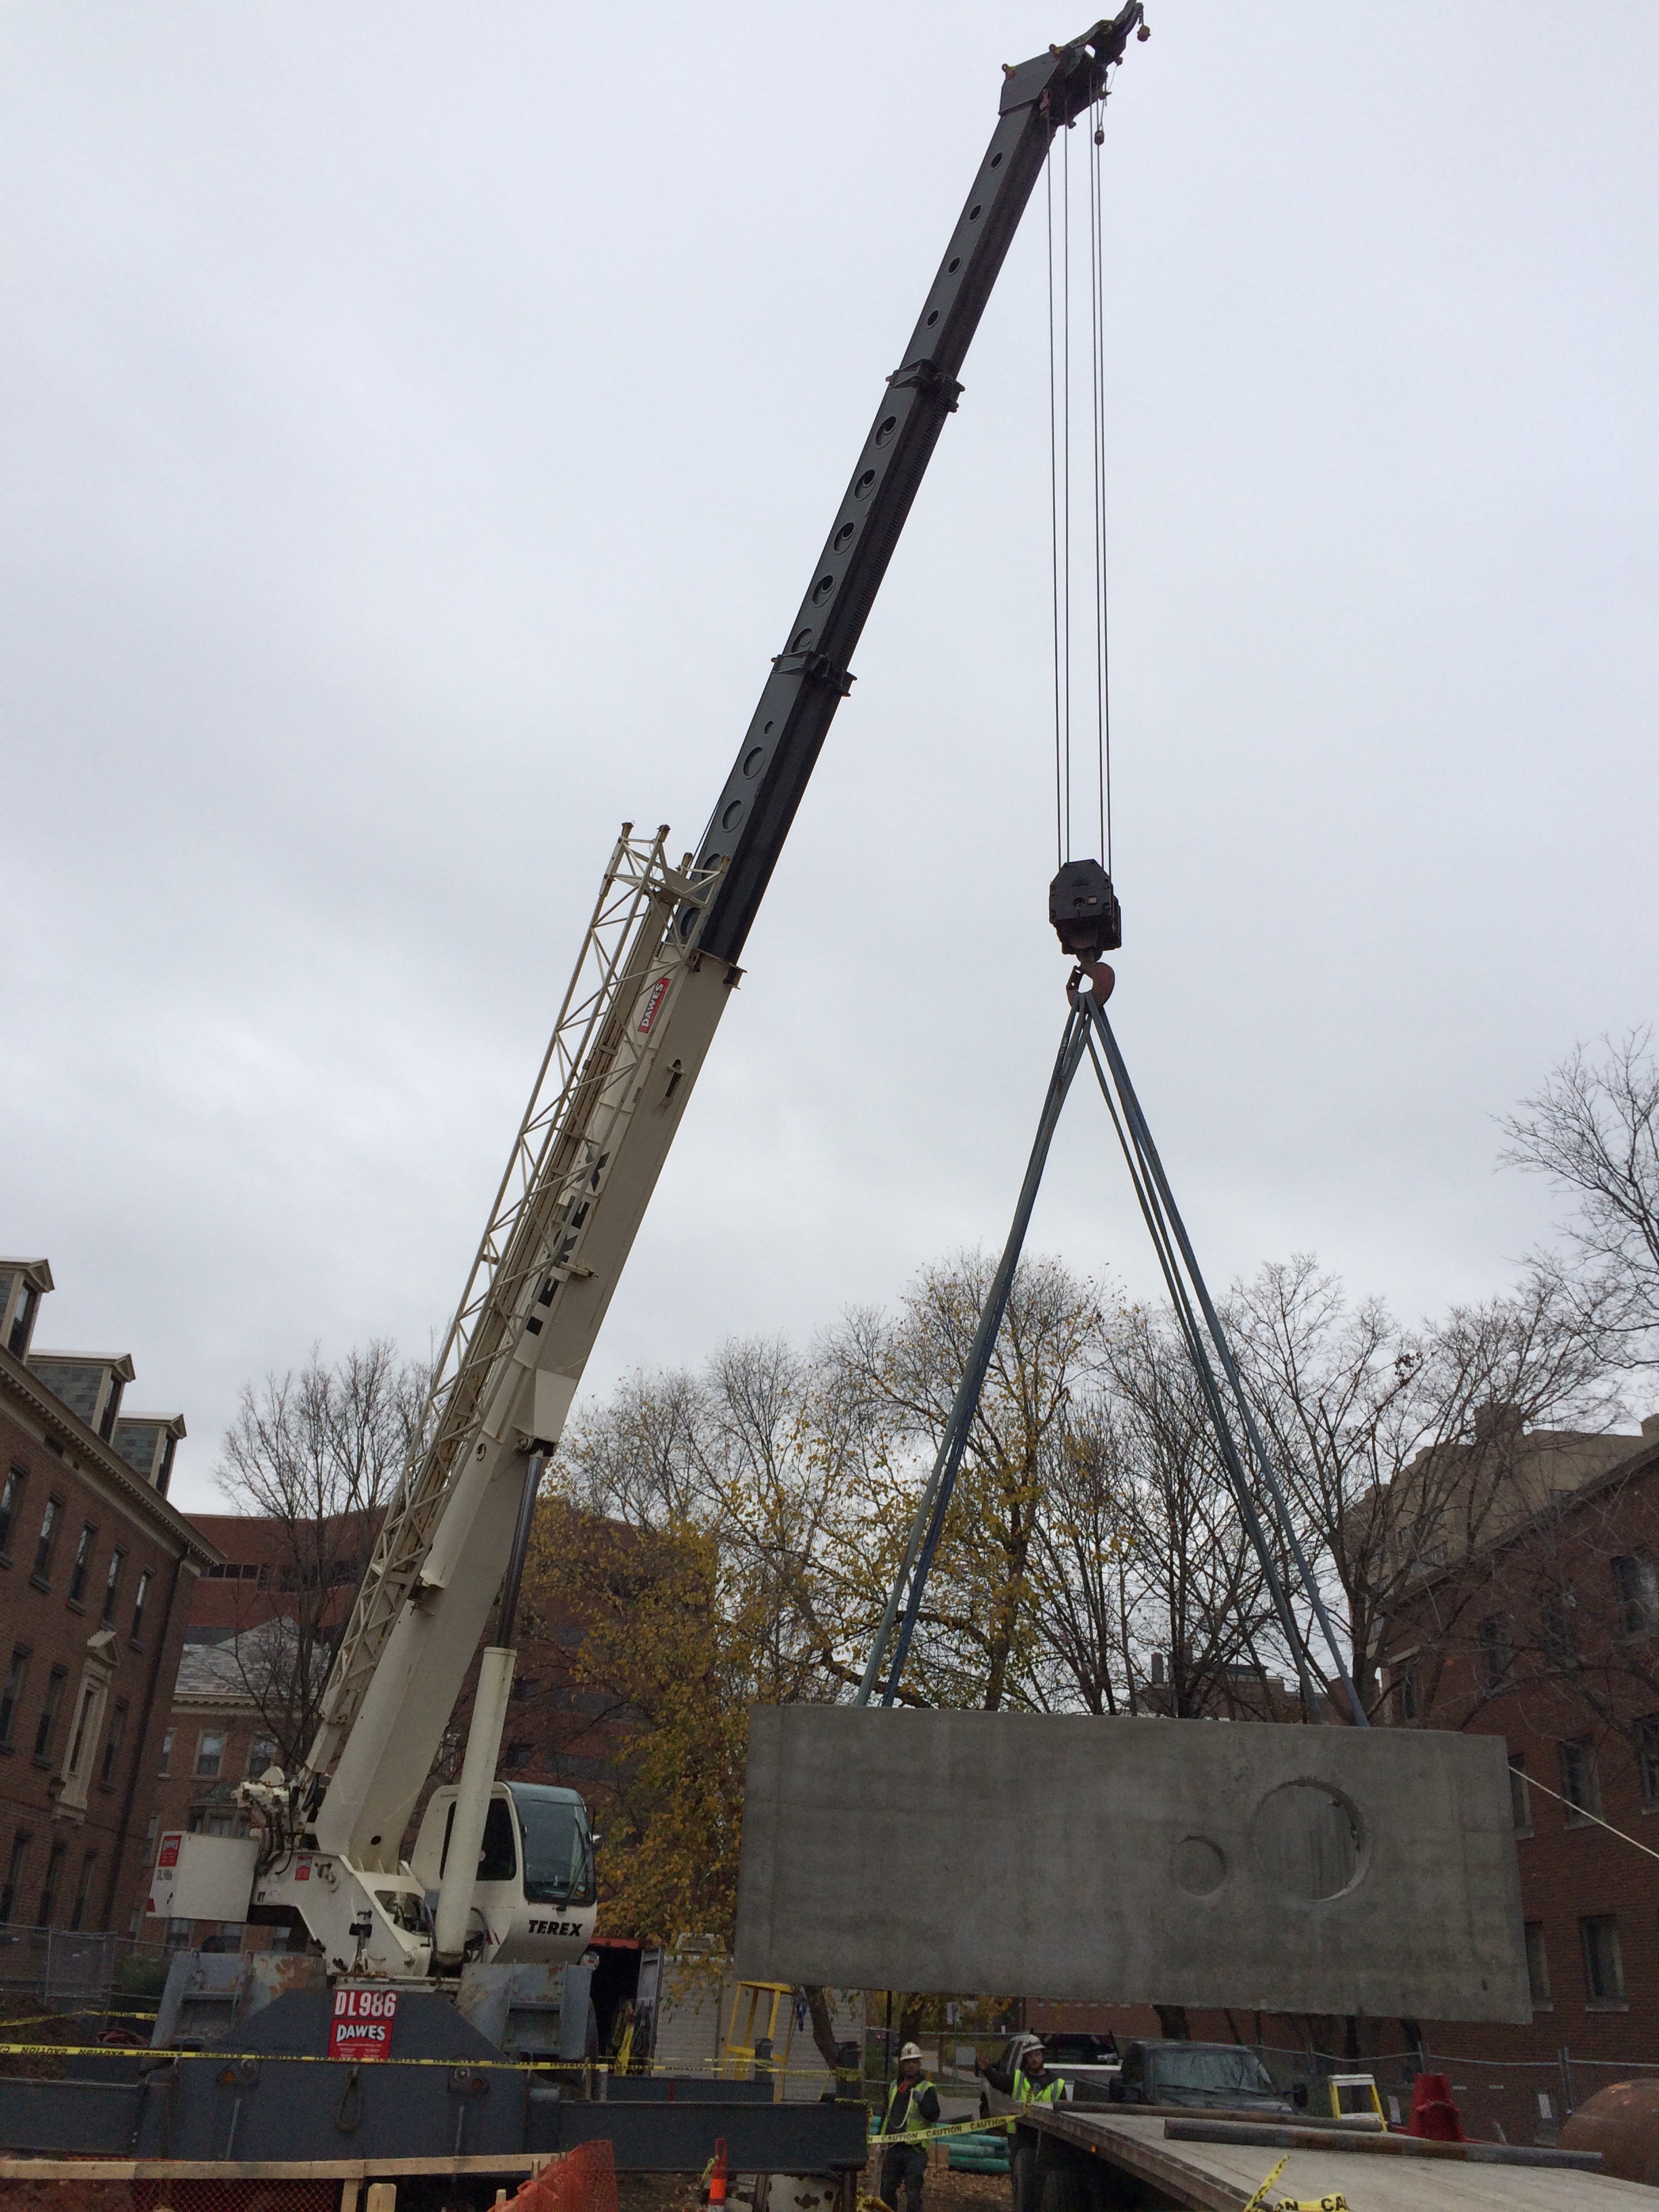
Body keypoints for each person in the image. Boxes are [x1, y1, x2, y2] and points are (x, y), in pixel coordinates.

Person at [878, 2042, 941, 2212]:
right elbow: (887, 2115)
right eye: (908, 2062)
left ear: (919, 2064)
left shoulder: (927, 2089)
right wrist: (880, 2140)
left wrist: (923, 2103)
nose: (911, 2065)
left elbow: (934, 2115)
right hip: (894, 2147)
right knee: (885, 2191)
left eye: (914, 2061)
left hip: (915, 2150)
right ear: (902, 2064)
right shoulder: (894, 2087)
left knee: (913, 2192)